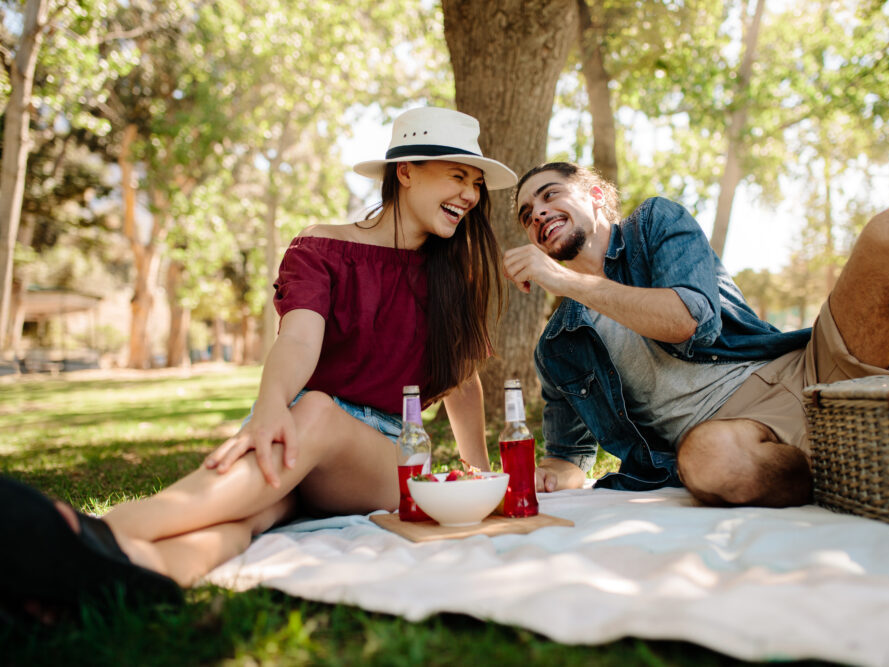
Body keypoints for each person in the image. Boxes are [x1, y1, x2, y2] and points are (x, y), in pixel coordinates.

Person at [0, 107, 517, 610]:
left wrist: (479, 475)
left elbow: (462, 378)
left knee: (315, 410)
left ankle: (80, 533)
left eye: (474, 183)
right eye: (458, 176)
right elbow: (297, 339)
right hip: (293, 426)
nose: (470, 195)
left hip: (384, 455)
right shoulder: (321, 248)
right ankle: (132, 575)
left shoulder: (453, 276)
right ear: (406, 171)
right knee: (249, 516)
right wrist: (269, 408)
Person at [502, 162, 889, 507]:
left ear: (593, 195)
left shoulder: (655, 223)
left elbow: (689, 320)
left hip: (804, 371)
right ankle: (843, 469)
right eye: (527, 214)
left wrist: (568, 282)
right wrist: (552, 472)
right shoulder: (558, 346)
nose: (538, 213)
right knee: (709, 463)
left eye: (550, 195)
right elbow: (569, 459)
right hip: (735, 440)